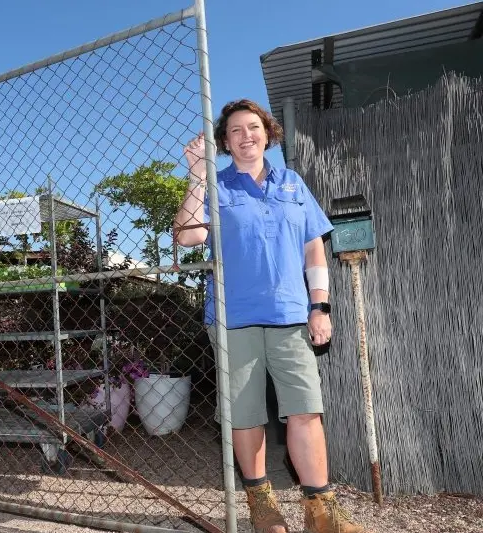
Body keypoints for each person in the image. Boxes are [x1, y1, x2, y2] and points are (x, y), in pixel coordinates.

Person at [173, 99, 366, 533]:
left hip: (292, 315)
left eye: (253, 127)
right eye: (236, 130)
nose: (246, 136)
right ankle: (262, 504)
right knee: (245, 414)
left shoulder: (293, 183)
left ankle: (322, 512)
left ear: (268, 132)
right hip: (231, 318)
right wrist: (197, 176)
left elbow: (313, 247)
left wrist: (320, 306)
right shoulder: (217, 186)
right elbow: (187, 237)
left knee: (306, 411)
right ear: (224, 141)